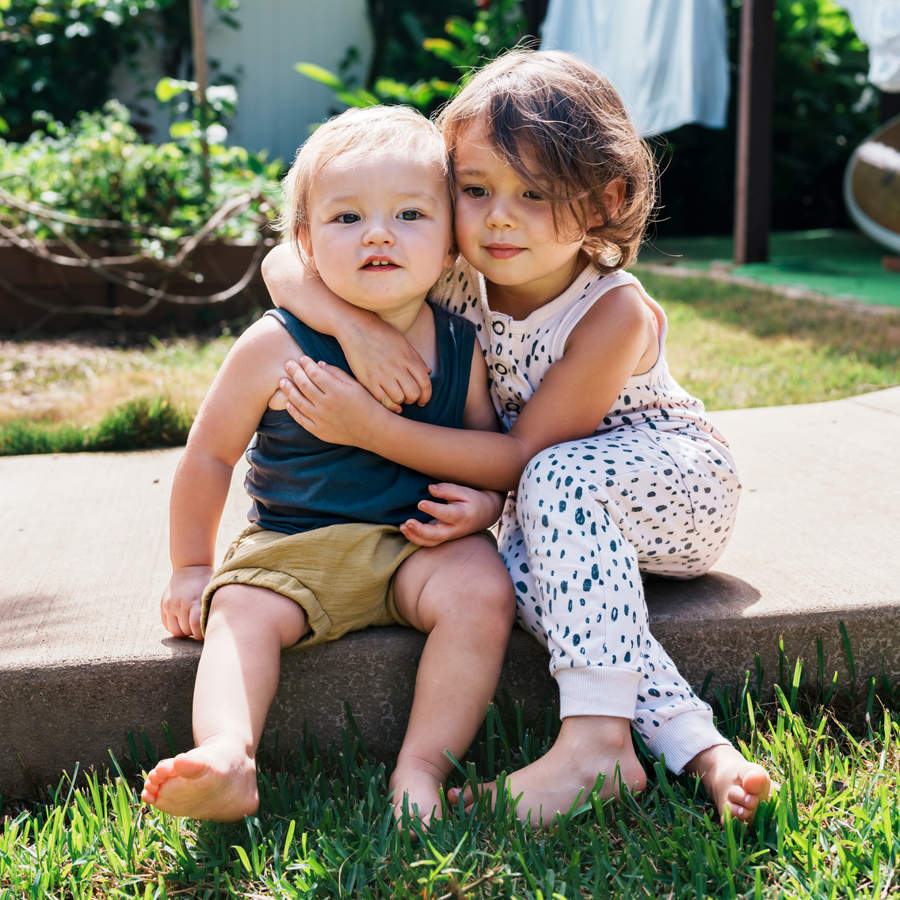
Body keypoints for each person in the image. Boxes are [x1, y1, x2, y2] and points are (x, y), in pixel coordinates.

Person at [262, 50, 772, 828]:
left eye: (534, 193)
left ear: (607, 199)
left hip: (676, 489)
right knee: (523, 579)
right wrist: (355, 329)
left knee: (550, 485)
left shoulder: (611, 312)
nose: (498, 216)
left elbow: (521, 455)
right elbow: (283, 261)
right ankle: (701, 749)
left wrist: (373, 428)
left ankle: (593, 742)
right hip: (551, 503)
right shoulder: (458, 273)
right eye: (474, 190)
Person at [140, 105, 515, 825]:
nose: (378, 233)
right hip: (293, 547)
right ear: (306, 246)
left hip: (416, 545)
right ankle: (227, 754)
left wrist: (486, 507)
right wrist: (192, 565)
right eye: (347, 219)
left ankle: (421, 769)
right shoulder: (275, 344)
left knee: (482, 589)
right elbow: (210, 454)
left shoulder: (459, 345)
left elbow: (487, 453)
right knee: (239, 611)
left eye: (410, 214)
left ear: (449, 247)